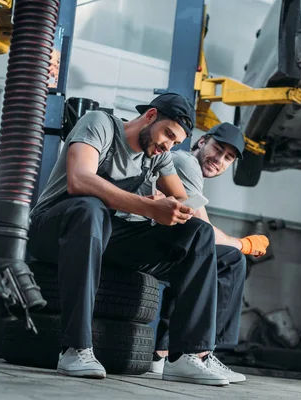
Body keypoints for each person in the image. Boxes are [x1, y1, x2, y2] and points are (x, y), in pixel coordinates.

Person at [27, 93, 236, 386]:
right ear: (150, 116)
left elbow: (182, 198)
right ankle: (75, 348)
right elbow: (80, 180)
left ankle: (186, 355)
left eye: (175, 143)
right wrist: (147, 206)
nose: (167, 145)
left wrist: (166, 204)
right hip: (54, 229)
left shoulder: (159, 156)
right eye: (167, 134)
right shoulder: (100, 124)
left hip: (106, 236)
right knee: (91, 208)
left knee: (197, 234)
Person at [134, 122, 271, 383]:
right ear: (201, 142)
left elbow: (195, 228)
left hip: (151, 240)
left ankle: (165, 354)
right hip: (135, 239)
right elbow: (204, 230)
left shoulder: (189, 171)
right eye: (217, 149)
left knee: (199, 253)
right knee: (229, 259)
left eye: (228, 158)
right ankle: (196, 354)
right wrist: (244, 244)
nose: (218, 160)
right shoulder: (185, 163)